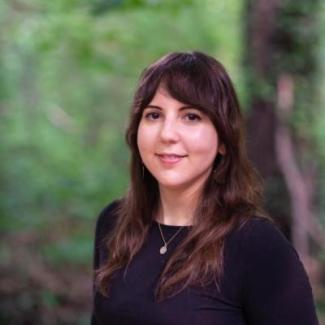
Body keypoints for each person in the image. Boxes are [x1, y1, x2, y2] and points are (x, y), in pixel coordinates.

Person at [91, 51, 319, 324]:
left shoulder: (258, 246)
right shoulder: (113, 224)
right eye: (154, 115)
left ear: (223, 139)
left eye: (191, 117)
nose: (167, 134)